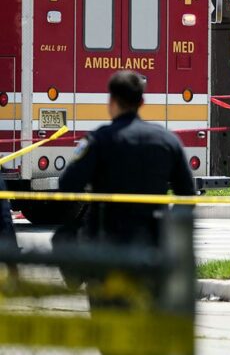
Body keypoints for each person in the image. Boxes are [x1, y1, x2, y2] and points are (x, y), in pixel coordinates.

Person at [59, 71, 195, 317]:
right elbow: (188, 194)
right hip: (152, 250)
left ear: (111, 102)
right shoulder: (167, 141)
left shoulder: (100, 140)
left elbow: (68, 183)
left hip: (106, 249)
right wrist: (168, 229)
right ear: (142, 103)